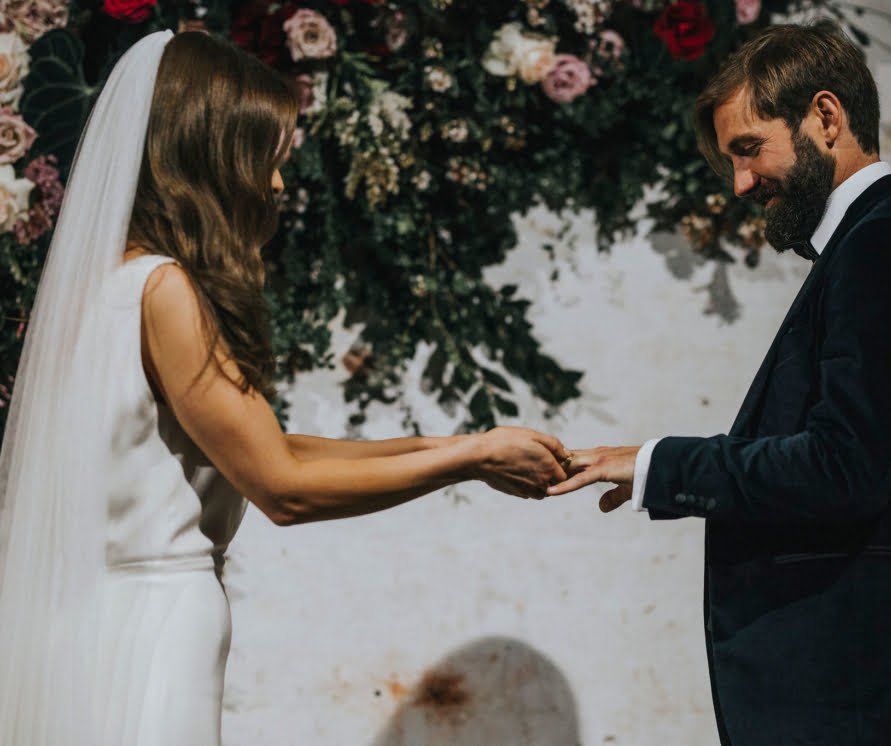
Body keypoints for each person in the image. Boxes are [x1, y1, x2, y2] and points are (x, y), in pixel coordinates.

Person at [0, 30, 569, 746]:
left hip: (94, 628)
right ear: (212, 156)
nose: (275, 185)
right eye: (266, 160)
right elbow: (283, 487)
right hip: (153, 627)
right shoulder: (165, 289)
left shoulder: (104, 286)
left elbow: (266, 448)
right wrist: (470, 460)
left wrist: (465, 447)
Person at [550, 21, 891, 746]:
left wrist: (657, 465)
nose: (739, 183)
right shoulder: (875, 247)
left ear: (825, 117)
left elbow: (843, 468)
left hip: (882, 709)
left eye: (748, 148)